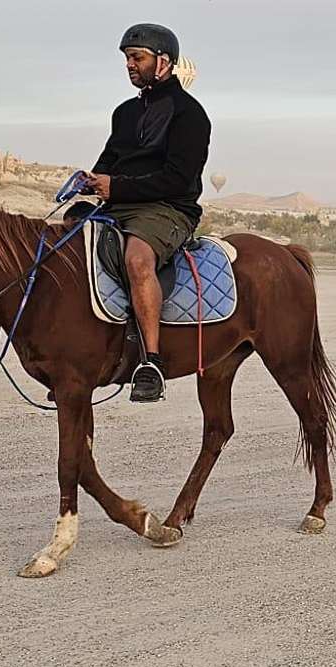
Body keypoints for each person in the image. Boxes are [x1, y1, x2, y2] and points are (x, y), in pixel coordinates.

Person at [68, 23, 211, 404]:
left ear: (163, 62)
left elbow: (178, 180)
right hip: (119, 203)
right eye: (127, 59)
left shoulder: (191, 115)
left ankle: (150, 362)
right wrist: (91, 180)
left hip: (167, 208)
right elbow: (111, 159)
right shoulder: (125, 113)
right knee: (63, 243)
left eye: (137, 58)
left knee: (137, 259)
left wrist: (117, 187)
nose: (130, 65)